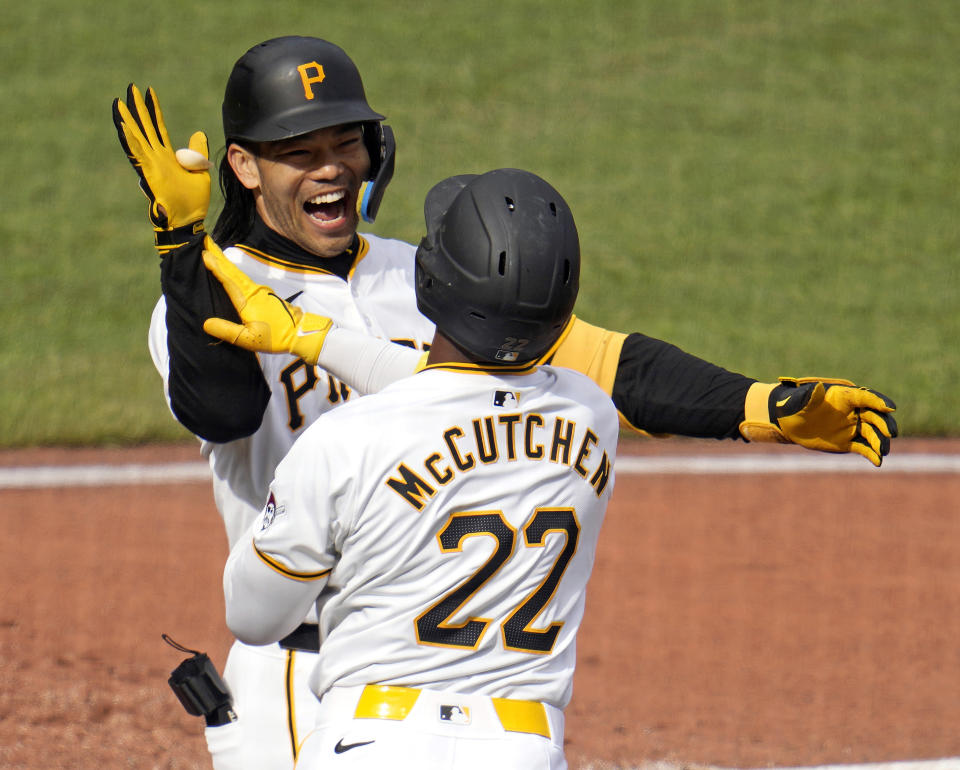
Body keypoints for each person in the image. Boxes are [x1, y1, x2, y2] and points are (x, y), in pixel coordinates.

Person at [112, 34, 897, 769]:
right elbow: (223, 413)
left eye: (344, 143)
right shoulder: (207, 305)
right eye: (299, 152)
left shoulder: (431, 273)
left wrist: (758, 404)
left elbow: (605, 363)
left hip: (461, 665)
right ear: (245, 168)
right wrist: (183, 253)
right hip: (296, 664)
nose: (331, 169)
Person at [222, 167, 619, 769]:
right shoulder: (591, 415)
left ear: (430, 284)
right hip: (525, 750)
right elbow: (474, 397)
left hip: (370, 746)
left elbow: (253, 618)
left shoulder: (345, 440)